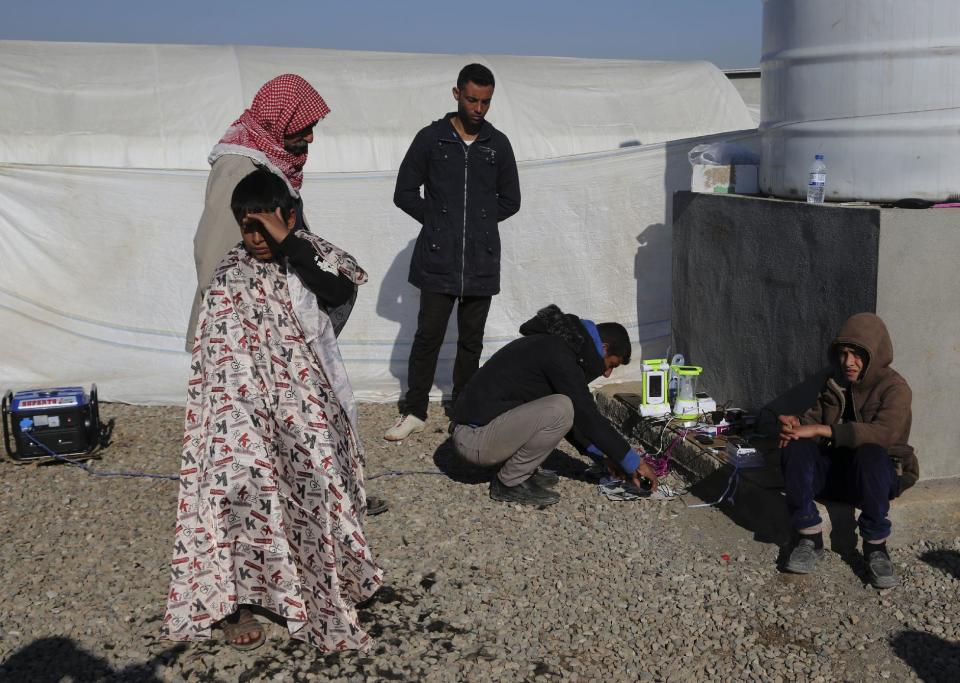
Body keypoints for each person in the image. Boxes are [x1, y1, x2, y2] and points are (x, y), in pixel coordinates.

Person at [163, 170, 382, 652]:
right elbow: (216, 350)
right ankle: (236, 599)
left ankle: (323, 579)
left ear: (288, 216)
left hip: (305, 408)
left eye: (266, 226)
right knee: (240, 491)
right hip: (241, 411)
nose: (257, 238)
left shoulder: (309, 257)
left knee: (318, 488)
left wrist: (289, 240)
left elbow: (339, 289)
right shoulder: (229, 272)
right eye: (248, 227)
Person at [384, 63, 521, 441]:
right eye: (473, 99)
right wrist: (438, 221)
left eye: (486, 102)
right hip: (437, 257)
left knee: (471, 340)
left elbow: (512, 200)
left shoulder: (498, 145)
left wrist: (476, 223)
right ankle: (414, 411)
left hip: (481, 259)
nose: (479, 108)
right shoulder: (431, 139)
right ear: (456, 93)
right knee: (428, 336)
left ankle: (463, 409)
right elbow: (404, 192)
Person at [448, 304, 659, 507]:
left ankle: (522, 470)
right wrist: (635, 463)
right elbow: (586, 415)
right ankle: (509, 482)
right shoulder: (559, 355)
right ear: (603, 348)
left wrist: (604, 456)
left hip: (477, 432)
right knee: (561, 407)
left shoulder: (557, 346)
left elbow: (576, 419)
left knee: (562, 406)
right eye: (611, 365)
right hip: (474, 440)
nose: (607, 373)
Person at [186, 73, 331, 349]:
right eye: (303, 128)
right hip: (239, 332)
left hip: (269, 322)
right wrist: (230, 326)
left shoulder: (269, 164)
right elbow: (214, 252)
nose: (310, 138)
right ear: (280, 121)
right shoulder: (238, 168)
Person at [778, 312, 917, 589]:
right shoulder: (834, 381)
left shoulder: (895, 388)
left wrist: (823, 431)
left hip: (876, 478)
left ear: (875, 354)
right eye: (844, 354)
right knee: (796, 445)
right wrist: (795, 426)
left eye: (857, 355)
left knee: (871, 453)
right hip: (837, 476)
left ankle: (876, 547)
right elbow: (812, 423)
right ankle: (809, 536)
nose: (848, 362)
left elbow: (884, 434)